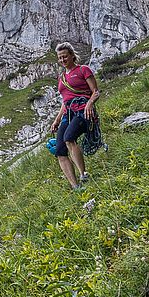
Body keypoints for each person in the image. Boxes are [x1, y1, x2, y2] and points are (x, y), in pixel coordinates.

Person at [49, 41, 100, 190]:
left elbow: (95, 92)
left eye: (65, 56)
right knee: (59, 151)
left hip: (83, 110)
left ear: (72, 56)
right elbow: (65, 102)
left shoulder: (83, 70)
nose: (62, 60)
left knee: (69, 138)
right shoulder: (62, 78)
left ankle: (83, 174)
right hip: (68, 113)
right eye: (60, 58)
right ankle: (75, 186)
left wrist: (90, 104)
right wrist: (57, 120)